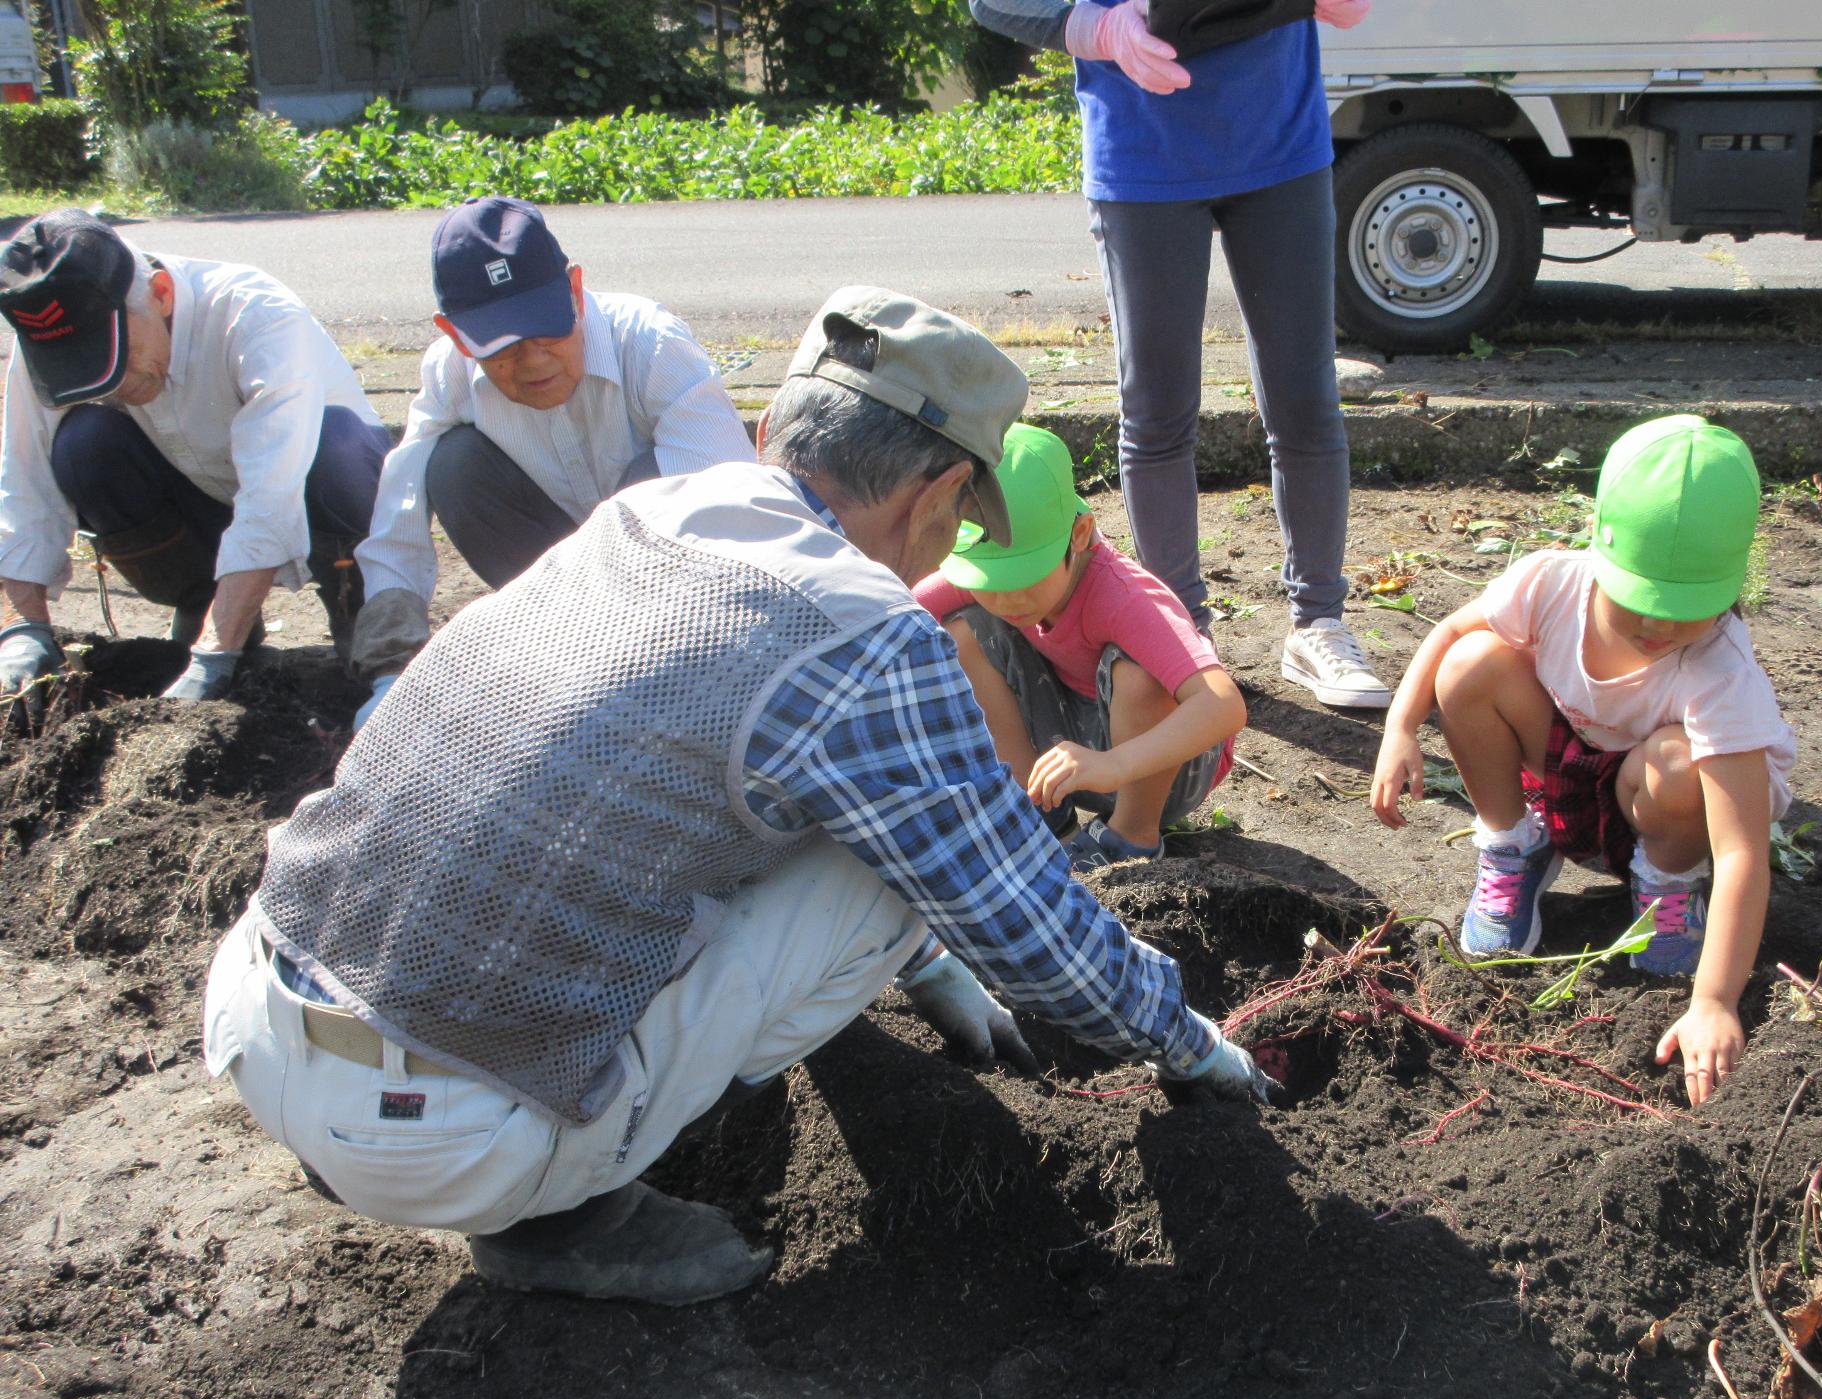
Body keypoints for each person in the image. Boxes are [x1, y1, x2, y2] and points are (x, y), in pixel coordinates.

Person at [204, 286, 1273, 1308]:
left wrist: (925, 968)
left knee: (778, 812)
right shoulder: (866, 629)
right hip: (440, 1132)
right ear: (941, 493)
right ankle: (556, 1218)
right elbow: (1021, 915)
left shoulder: (653, 511)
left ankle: (377, 1138)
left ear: (772, 429)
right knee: (901, 858)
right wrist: (1187, 1043)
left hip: (258, 1015)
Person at [967, 0, 1390, 710]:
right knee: (1159, 412)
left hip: (1280, 144)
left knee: (1304, 399)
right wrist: (1093, 28)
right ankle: (1183, 637)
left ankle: (1318, 622)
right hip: (1144, 156)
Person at [1368, 415, 1797, 1106]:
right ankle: (1516, 847)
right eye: (1640, 598)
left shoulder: (1722, 671)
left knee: (1680, 763)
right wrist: (1400, 728)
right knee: (1472, 665)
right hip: (1569, 773)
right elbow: (1450, 631)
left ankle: (1668, 888)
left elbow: (1744, 852)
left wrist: (1716, 1001)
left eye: (1683, 608)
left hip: (1659, 810)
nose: (1658, 627)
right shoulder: (1553, 584)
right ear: (1599, 547)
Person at [347, 195, 753, 726]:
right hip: (564, 593)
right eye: (503, 346)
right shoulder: (447, 373)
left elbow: (734, 505)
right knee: (451, 466)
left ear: (576, 291)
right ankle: (562, 661)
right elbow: (399, 512)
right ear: (456, 336)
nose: (535, 360)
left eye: (549, 329)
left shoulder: (651, 344)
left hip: (678, 594)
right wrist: (389, 674)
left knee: (659, 488)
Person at [0, 210, 393, 703]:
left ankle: (358, 611)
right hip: (206, 496)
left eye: (116, 359)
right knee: (85, 443)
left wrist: (214, 652)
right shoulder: (53, 339)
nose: (113, 385)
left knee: (335, 444)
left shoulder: (255, 314)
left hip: (324, 494)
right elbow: (24, 477)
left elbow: (271, 497)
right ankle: (200, 597)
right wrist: (24, 628)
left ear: (160, 293)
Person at [914, 423, 1245, 871]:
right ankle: (1035, 810)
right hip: (1069, 762)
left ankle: (1130, 838)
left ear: (1080, 533)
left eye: (1025, 575)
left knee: (1140, 669)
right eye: (988, 582)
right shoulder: (998, 581)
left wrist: (1115, 763)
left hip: (1160, 769)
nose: (1008, 598)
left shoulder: (1127, 598)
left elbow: (1224, 705)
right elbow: (893, 609)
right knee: (966, 631)